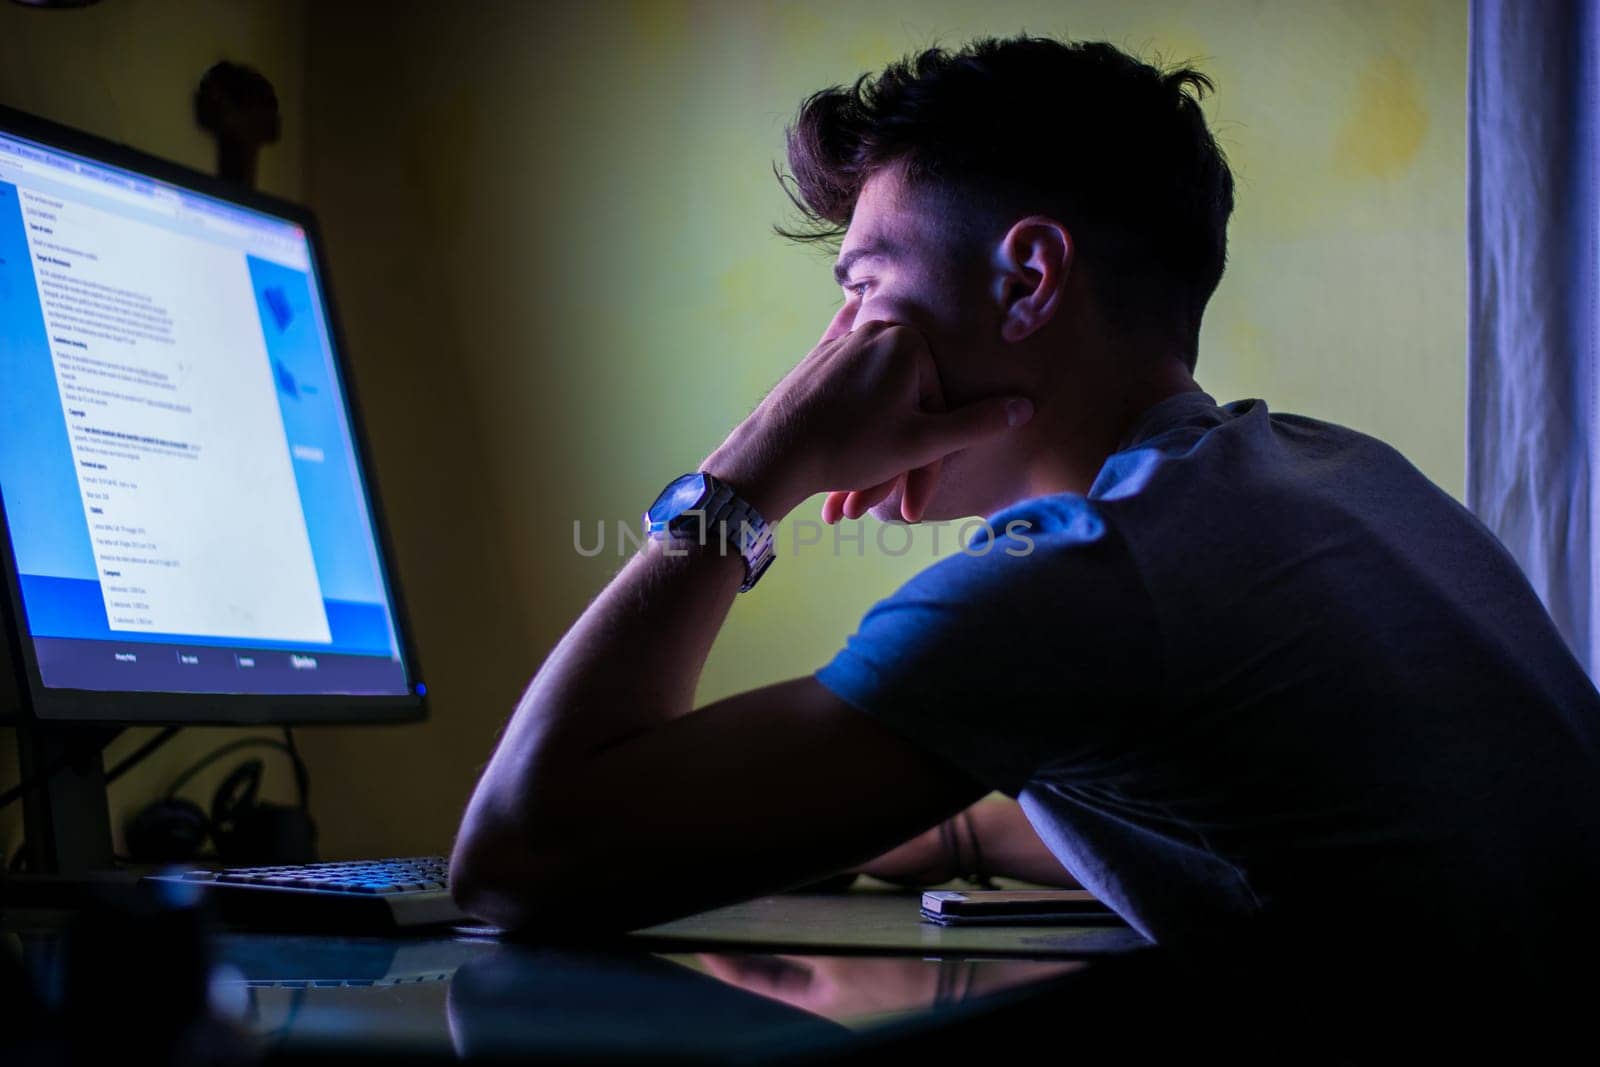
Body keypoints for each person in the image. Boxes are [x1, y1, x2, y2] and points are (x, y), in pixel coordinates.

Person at [450, 34, 1600, 1047]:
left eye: (865, 290)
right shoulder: (1329, 472)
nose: (833, 352)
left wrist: (757, 462)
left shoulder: (1091, 565)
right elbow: (1270, 821)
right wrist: (951, 825)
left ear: (1029, 279)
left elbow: (517, 854)